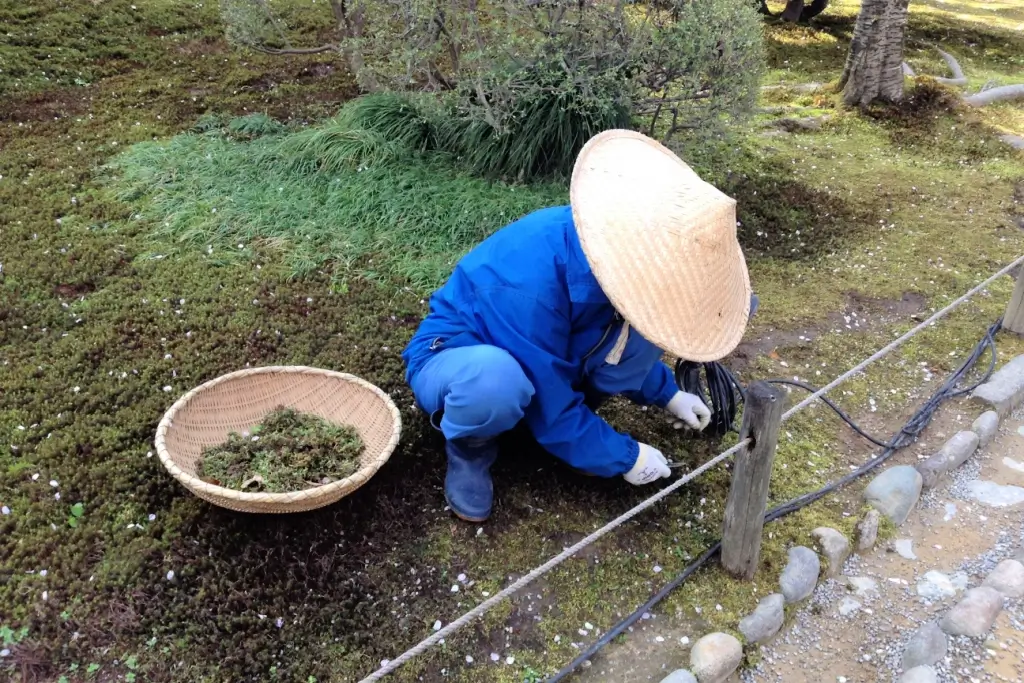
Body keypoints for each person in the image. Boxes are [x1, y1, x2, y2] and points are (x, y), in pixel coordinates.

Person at [401, 130, 754, 522]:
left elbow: (613, 339)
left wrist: (668, 393)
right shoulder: (529, 278)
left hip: (548, 361)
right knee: (495, 383)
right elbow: (549, 397)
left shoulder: (624, 268)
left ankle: (571, 437)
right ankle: (472, 445)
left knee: (642, 333)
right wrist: (624, 456)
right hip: (458, 355)